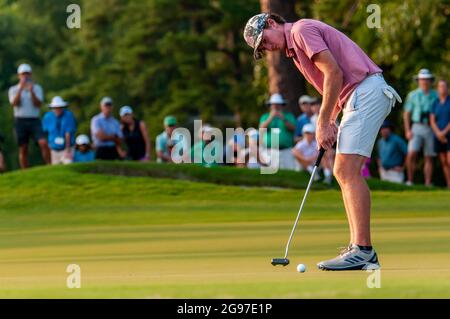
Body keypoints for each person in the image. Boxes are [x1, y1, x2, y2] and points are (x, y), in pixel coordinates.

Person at [244, 13, 401, 270]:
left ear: (271, 23)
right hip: (358, 96)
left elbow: (333, 73)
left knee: (345, 171)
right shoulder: (294, 50)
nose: (266, 47)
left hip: (365, 91)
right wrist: (330, 122)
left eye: (264, 40)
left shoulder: (300, 31)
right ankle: (359, 248)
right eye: (261, 48)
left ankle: (363, 250)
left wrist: (322, 120)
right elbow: (335, 85)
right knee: (343, 171)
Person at [8, 63, 50, 168]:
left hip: (34, 120)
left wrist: (31, 92)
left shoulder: (37, 88)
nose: (25, 76)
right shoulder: (13, 89)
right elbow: (14, 103)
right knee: (23, 148)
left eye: (27, 74)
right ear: (19, 76)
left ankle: (49, 165)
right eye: (23, 74)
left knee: (43, 143)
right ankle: (25, 171)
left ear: (30, 75)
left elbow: (38, 104)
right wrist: (21, 89)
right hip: (20, 120)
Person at [403, 69, 438, 186]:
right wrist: (408, 130)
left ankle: (427, 183)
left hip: (430, 127)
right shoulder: (412, 95)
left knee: (429, 156)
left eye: (427, 79)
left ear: (430, 81)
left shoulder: (435, 95)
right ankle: (410, 180)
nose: (424, 81)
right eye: (422, 79)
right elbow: (407, 113)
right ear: (418, 81)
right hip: (416, 126)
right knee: (411, 153)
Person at [259, 93, 297, 170]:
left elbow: (293, 128)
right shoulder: (265, 116)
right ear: (270, 105)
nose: (276, 106)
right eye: (274, 104)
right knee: (269, 173)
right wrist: (271, 117)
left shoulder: (288, 115)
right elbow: (261, 128)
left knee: (288, 172)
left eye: (278, 104)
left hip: (286, 150)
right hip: (270, 150)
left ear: (282, 105)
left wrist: (283, 118)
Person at [42, 96, 77, 165]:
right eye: (55, 108)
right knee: (55, 170)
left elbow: (68, 134)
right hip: (53, 150)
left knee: (68, 164)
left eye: (59, 107)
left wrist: (68, 150)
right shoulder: (48, 116)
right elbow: (44, 132)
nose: (57, 109)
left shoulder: (68, 115)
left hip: (66, 148)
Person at [430, 80, 450, 188]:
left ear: (447, 88)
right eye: (440, 86)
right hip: (438, 136)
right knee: (444, 162)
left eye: (443, 86)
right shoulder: (435, 102)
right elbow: (432, 120)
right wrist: (438, 133)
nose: (442, 88)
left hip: (448, 134)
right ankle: (448, 184)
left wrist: (444, 132)